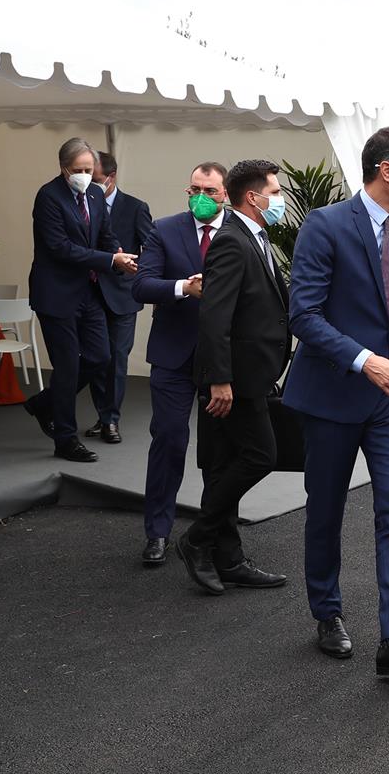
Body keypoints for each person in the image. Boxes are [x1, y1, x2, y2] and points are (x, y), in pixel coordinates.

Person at [284, 127, 389, 677]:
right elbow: (303, 315)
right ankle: (326, 611)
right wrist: (364, 360)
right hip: (333, 393)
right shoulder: (325, 225)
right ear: (386, 170)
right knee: (324, 510)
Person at [175, 159, 290, 596]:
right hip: (233, 381)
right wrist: (220, 380)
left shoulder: (255, 238)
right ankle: (197, 539)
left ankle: (228, 557)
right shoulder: (231, 242)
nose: (279, 199)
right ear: (253, 197)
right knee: (261, 455)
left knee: (224, 464)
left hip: (252, 374)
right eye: (275, 192)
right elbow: (214, 316)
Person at [132, 162, 229, 565]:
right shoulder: (165, 228)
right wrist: (183, 288)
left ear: (225, 194)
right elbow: (141, 284)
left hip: (221, 359)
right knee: (169, 440)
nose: (201, 198)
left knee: (220, 449)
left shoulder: (240, 231)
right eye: (194, 190)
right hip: (173, 354)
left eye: (210, 191)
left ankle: (217, 533)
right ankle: (157, 531)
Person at [24, 137, 138, 463]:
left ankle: (44, 403)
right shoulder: (49, 197)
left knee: (100, 357)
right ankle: (65, 439)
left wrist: (117, 251)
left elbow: (105, 233)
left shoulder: (95, 194)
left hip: (88, 292)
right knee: (67, 365)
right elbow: (61, 248)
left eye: (90, 169)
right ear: (63, 169)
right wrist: (109, 261)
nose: (85, 175)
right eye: (78, 170)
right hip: (56, 293)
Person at [85, 151, 153, 445]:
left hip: (122, 296)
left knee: (117, 359)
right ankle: (103, 416)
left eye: (95, 178)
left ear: (110, 178)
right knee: (95, 358)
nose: (89, 183)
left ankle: (111, 419)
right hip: (88, 295)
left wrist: (137, 277)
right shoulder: (82, 204)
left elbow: (150, 250)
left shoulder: (136, 207)